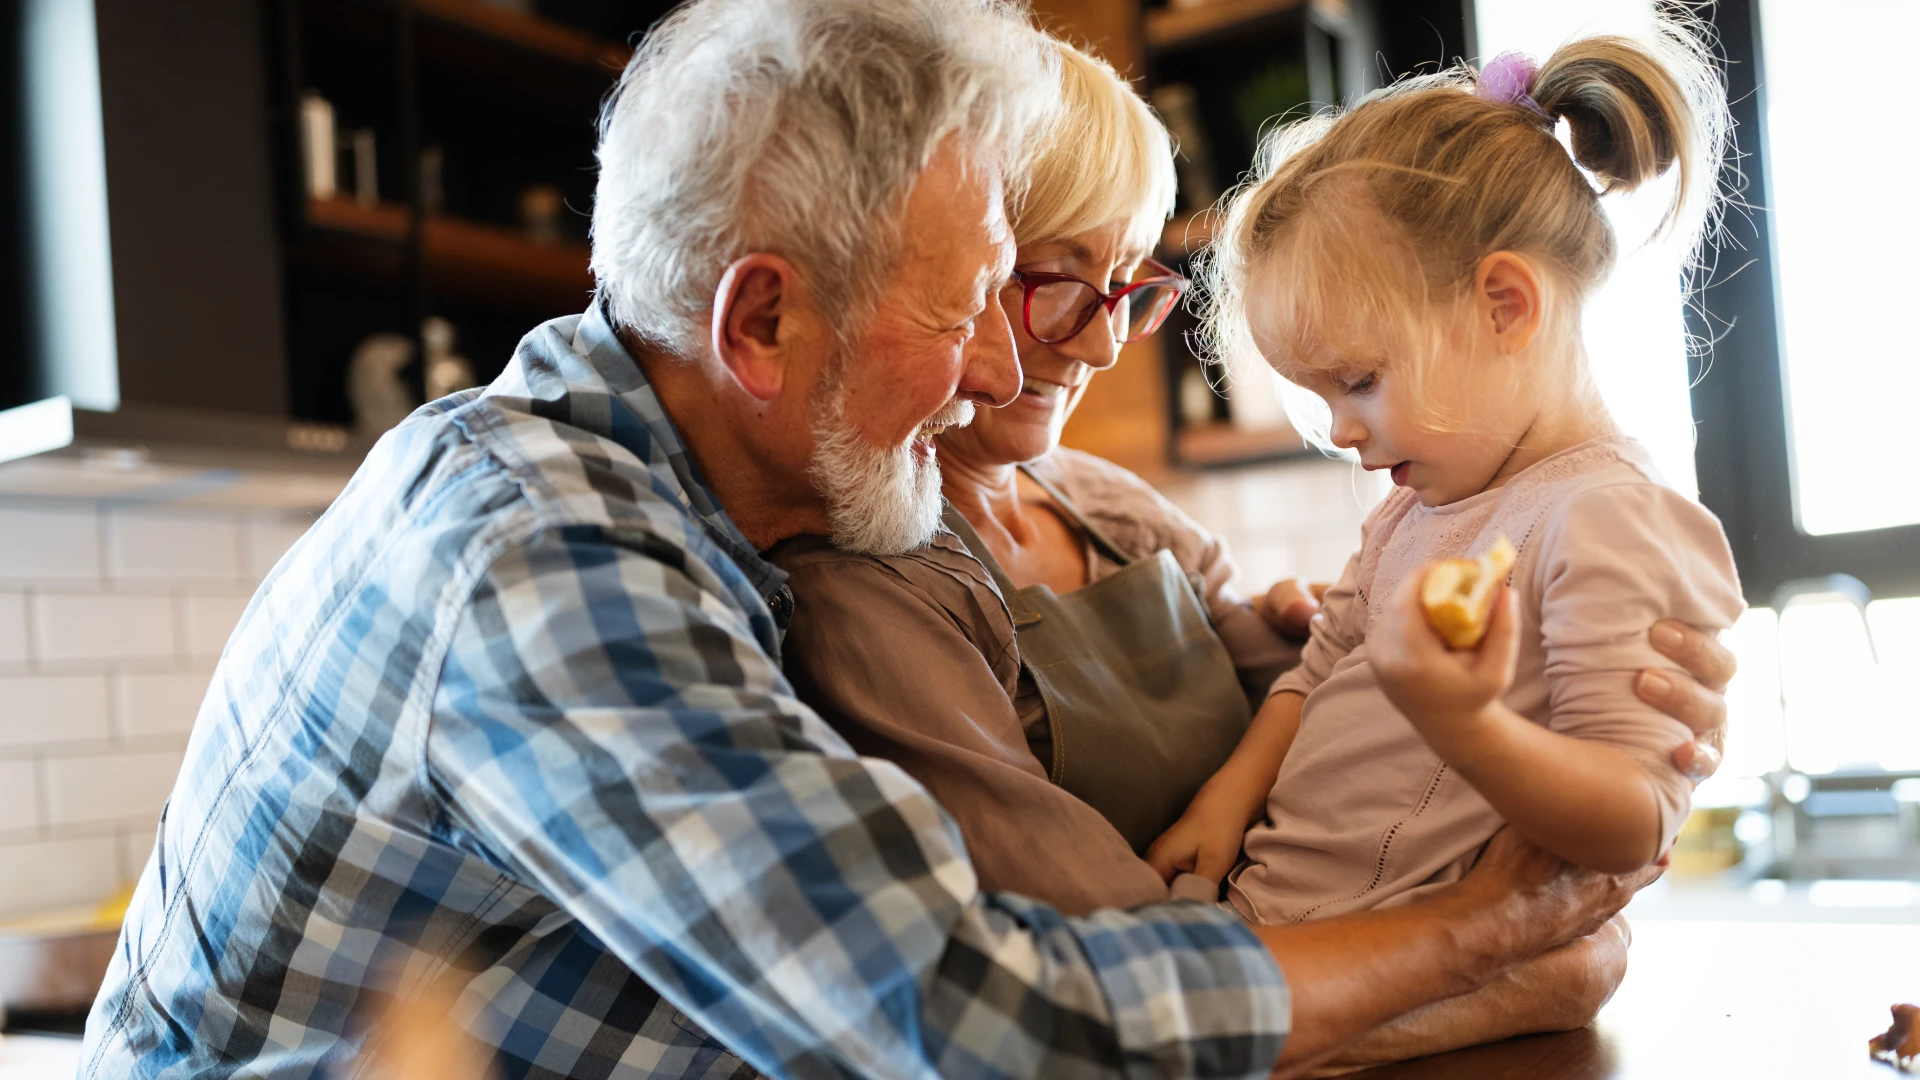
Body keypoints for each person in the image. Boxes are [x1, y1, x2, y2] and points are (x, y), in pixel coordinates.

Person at [76, 3, 1724, 1078]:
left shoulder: (711, 512)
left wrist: (1446, 684)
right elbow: (961, 1019)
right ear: (766, 322)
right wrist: (1481, 934)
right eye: (975, 299)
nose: (1014, 366)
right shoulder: (539, 550)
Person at [772, 31, 1738, 1070]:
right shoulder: (868, 576)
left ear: (1507, 304)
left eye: (1125, 289)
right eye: (1052, 281)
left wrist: (1415, 686)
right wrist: (1486, 936)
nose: (1102, 340)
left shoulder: (1123, 510)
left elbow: (1327, 683)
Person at [1147, 21, 1742, 929]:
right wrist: (1228, 797)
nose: (1342, 429)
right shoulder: (1416, 512)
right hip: (1280, 923)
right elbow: (1316, 672)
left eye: (1360, 381)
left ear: (1506, 306)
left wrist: (1469, 728)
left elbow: (1635, 819)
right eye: (1320, 394)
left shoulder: (1609, 518)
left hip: (1411, 972)